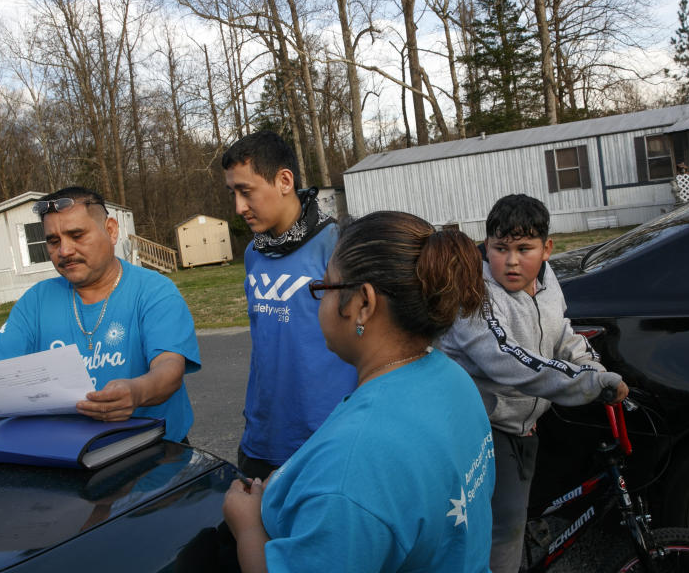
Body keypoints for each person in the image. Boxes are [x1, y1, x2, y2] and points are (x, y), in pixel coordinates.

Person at [222, 211, 495, 572]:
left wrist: (248, 528)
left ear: (363, 304)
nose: (318, 303)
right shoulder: (452, 379)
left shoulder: (353, 466)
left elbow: (354, 486)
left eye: (323, 288)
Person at [0, 186, 201, 449]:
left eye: (77, 235)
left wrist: (136, 393)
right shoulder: (36, 301)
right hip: (68, 454)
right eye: (53, 241)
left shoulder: (154, 290)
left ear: (110, 230)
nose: (64, 250)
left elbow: (169, 369)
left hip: (155, 452)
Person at [437, 194, 629, 573]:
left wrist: (589, 363)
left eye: (524, 249)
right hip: (485, 425)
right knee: (504, 529)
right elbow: (509, 361)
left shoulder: (547, 279)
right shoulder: (475, 294)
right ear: (486, 244)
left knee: (515, 515)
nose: (510, 261)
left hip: (525, 422)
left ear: (546, 249)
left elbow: (563, 333)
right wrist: (588, 382)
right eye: (500, 248)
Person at [222, 131, 356, 480]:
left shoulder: (339, 247)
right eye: (233, 193)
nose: (238, 207)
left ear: (284, 181)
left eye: (246, 191)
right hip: (260, 441)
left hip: (325, 441)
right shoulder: (253, 253)